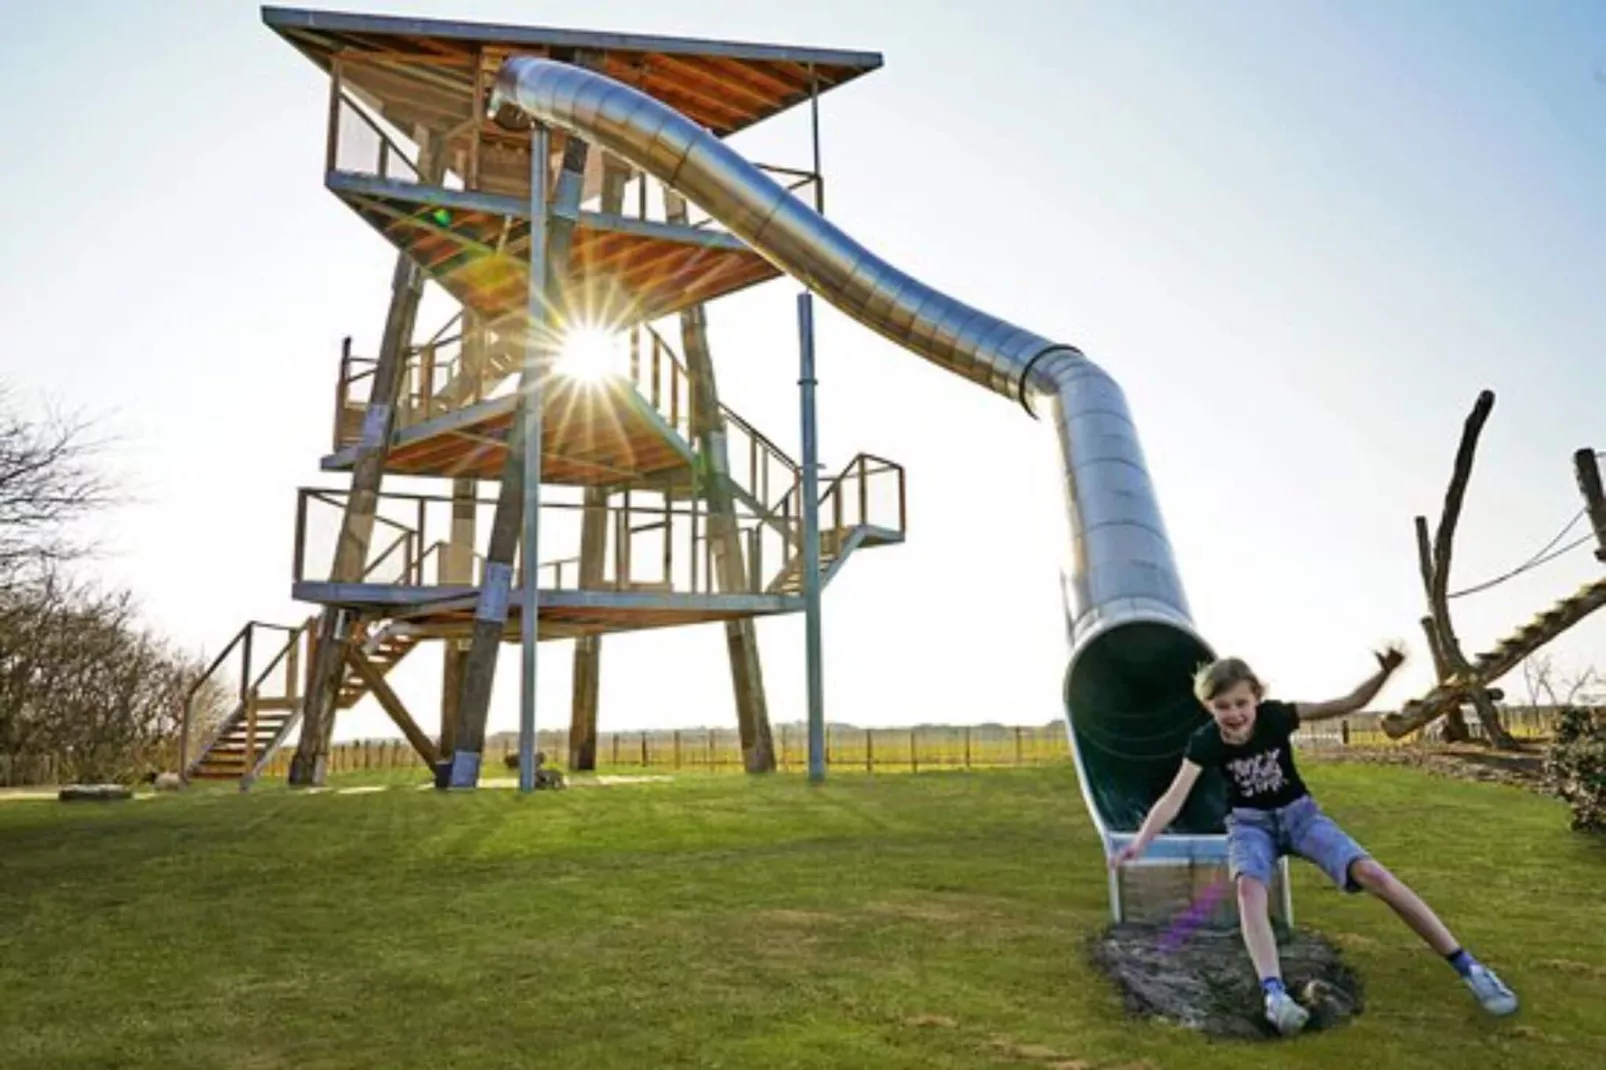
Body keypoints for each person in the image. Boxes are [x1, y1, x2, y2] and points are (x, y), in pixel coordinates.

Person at [1108, 644, 1518, 1035]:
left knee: (1374, 875)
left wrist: (1385, 672)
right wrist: (1141, 842)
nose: (1233, 714)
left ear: (1256, 698)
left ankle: (1472, 969)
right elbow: (1174, 798)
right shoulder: (1206, 741)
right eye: (1222, 707)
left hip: (1300, 816)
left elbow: (1346, 705)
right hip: (1249, 825)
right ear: (1208, 707)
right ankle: (1275, 997)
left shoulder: (1276, 717)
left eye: (1240, 703)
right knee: (1250, 890)